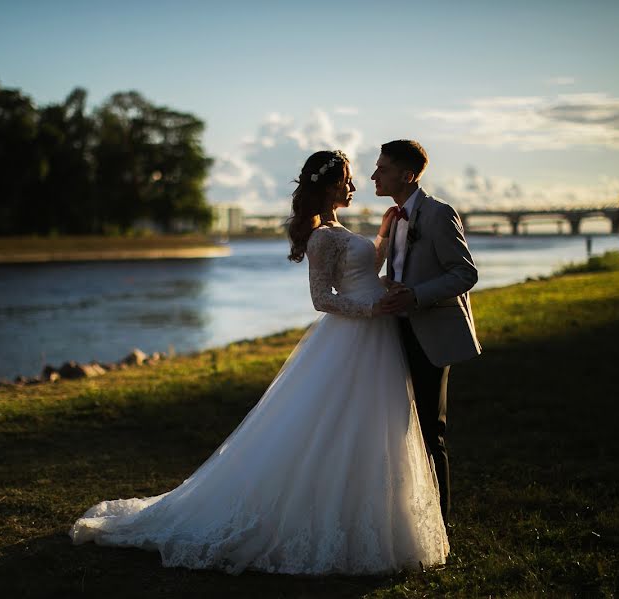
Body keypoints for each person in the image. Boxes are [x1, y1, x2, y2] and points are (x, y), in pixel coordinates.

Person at [70, 150, 449, 575]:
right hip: (354, 336)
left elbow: (364, 271)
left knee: (371, 426)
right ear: (327, 187)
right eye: (346, 180)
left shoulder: (342, 230)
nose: (353, 186)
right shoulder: (323, 236)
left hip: (375, 340)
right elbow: (322, 299)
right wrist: (371, 311)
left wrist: (381, 237)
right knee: (334, 426)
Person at [371, 140, 482, 526]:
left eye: (382, 169)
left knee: (430, 430)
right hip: (391, 333)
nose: (374, 175)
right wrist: (386, 289)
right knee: (396, 428)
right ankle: (404, 518)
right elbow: (397, 273)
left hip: (429, 332)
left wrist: (416, 297)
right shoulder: (392, 217)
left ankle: (440, 523)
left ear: (406, 174)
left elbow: (465, 274)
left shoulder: (438, 214)